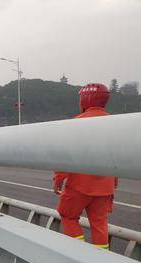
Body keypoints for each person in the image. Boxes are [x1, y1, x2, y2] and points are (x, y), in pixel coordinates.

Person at [53, 83, 117, 250]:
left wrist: (59, 178)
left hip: (80, 184)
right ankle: (100, 261)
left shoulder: (76, 123)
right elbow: (118, 155)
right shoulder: (116, 123)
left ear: (84, 100)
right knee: (99, 223)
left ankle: (78, 252)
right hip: (105, 186)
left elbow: (65, 155)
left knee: (68, 215)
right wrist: (114, 180)